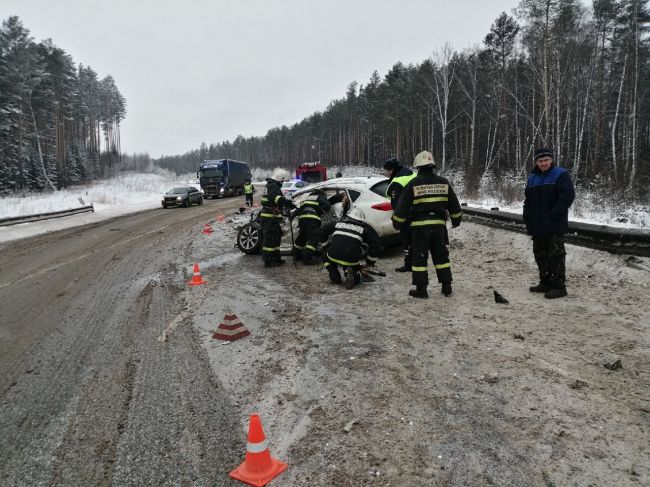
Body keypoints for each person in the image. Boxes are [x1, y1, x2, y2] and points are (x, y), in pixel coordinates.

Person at [392, 150, 462, 299]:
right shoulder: (443, 183)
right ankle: (447, 287)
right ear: (432, 165)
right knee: (441, 257)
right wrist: (456, 220)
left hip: (419, 229)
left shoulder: (413, 184)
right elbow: (454, 206)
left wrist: (397, 223)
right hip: (438, 228)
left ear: (418, 167)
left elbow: (402, 207)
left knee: (419, 259)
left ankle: (421, 290)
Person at [523, 148, 575, 299]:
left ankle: (559, 286)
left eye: (546, 160)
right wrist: (527, 215)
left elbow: (567, 197)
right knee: (540, 254)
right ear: (536, 162)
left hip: (554, 224)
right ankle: (545, 282)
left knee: (556, 255)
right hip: (537, 224)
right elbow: (528, 200)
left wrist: (552, 214)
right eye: (540, 161)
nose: (543, 163)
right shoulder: (532, 178)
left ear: (551, 160)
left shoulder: (560, 174)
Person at [323, 206, 380, 290]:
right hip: (351, 258)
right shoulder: (364, 229)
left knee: (325, 257)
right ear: (361, 220)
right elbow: (375, 244)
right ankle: (352, 273)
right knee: (351, 265)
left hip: (333, 255)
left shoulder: (337, 223)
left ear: (348, 216)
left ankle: (334, 275)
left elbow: (321, 230)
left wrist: (326, 245)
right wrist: (369, 262)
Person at [384, 157, 415, 272]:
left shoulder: (397, 181)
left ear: (392, 169)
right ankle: (415, 261)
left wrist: (397, 219)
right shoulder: (410, 173)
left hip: (406, 215)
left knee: (406, 241)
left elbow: (397, 204)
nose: (386, 173)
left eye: (387, 170)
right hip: (417, 211)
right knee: (414, 240)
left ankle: (408, 264)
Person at [260, 168, 295, 267]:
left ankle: (276, 258)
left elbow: (275, 200)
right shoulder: (272, 185)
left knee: (276, 238)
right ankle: (268, 260)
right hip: (269, 217)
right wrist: (284, 200)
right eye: (283, 181)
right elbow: (274, 198)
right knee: (270, 239)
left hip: (272, 217)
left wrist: (288, 204)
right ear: (280, 178)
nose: (283, 183)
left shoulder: (272, 185)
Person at [293, 188, 331, 265]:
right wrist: (321, 209)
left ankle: (296, 255)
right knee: (314, 239)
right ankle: (307, 258)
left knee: (302, 237)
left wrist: (292, 215)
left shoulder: (306, 199)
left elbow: (299, 209)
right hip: (312, 219)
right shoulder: (320, 197)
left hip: (302, 219)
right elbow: (327, 206)